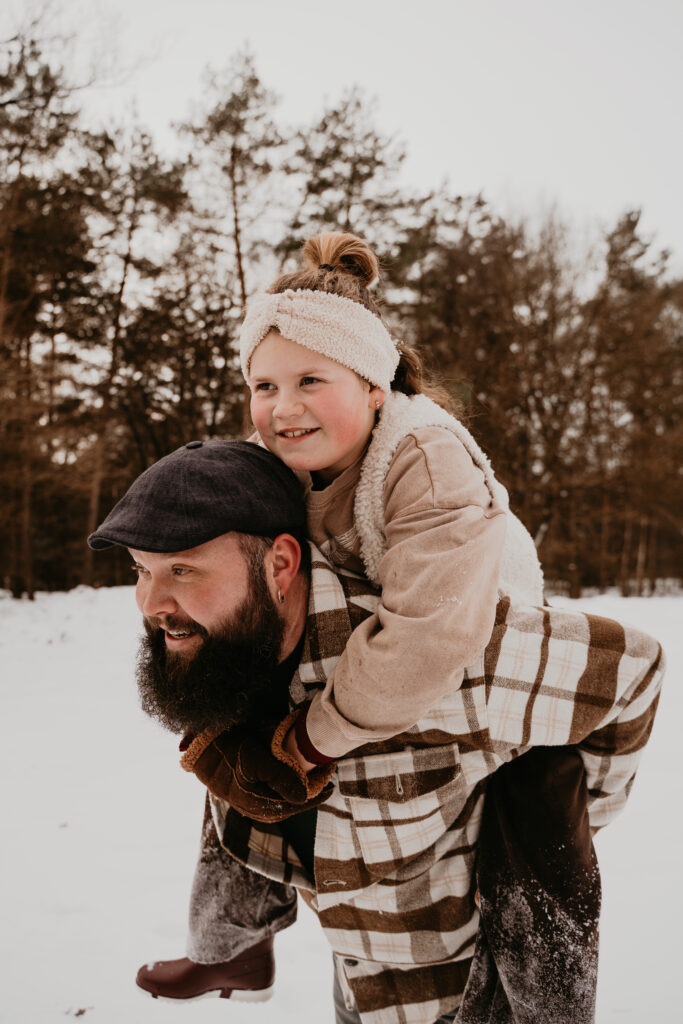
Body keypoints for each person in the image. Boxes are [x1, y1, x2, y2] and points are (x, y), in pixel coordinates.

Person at [88, 439, 664, 1024]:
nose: (150, 602)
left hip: (460, 998)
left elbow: (635, 671)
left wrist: (561, 813)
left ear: (280, 565)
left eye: (182, 569)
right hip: (358, 975)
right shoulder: (227, 647)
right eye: (142, 570)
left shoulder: (437, 660)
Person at [240, 231, 544, 772]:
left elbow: (431, 636)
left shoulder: (425, 460)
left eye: (310, 380)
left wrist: (309, 743)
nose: (283, 407)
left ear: (374, 387)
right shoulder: (265, 462)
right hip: (375, 672)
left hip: (489, 648)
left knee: (527, 783)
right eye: (265, 386)